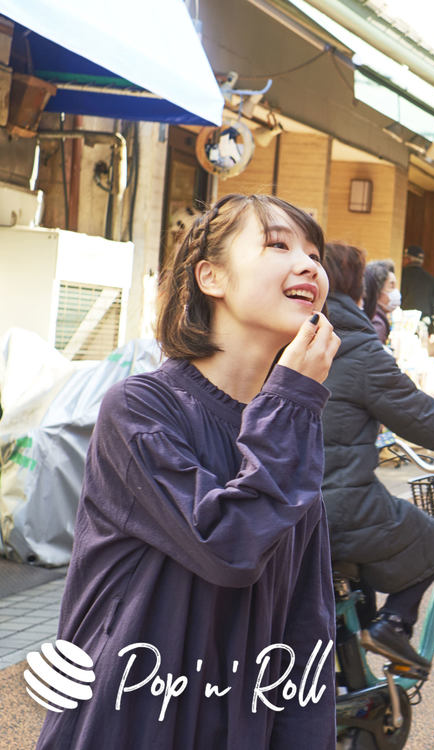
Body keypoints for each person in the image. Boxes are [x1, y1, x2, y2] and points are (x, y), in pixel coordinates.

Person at [36, 194, 340, 749]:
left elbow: (305, 624)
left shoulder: (292, 421)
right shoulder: (140, 408)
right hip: (130, 718)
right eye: (278, 245)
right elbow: (228, 546)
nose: (309, 265)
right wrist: (294, 401)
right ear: (211, 277)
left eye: (314, 253)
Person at [320, 242, 434, 673]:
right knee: (433, 538)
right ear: (357, 287)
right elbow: (428, 422)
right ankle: (395, 625)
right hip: (341, 506)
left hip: (284, 501)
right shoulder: (361, 351)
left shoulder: (286, 336)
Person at [400, 244, 434, 331]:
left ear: (408, 259)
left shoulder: (401, 276)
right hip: (423, 324)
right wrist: (433, 331)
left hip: (403, 323)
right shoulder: (431, 280)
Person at [362, 259, 399, 344]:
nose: (396, 292)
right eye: (391, 286)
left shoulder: (368, 315)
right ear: (376, 290)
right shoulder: (377, 323)